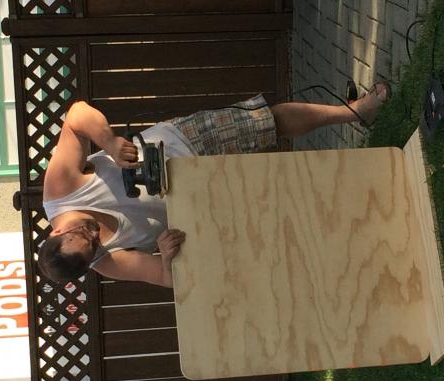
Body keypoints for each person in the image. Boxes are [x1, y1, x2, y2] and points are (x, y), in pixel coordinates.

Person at [37, 84, 390, 288]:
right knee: (285, 194)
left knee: (268, 123)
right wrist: (166, 253)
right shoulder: (105, 261)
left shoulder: (60, 190)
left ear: (54, 233)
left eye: (84, 233)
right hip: (212, 204)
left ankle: (356, 111)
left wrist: (110, 143)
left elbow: (78, 115)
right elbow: (165, 277)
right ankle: (363, 198)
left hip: (180, 144)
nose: (94, 236)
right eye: (92, 246)